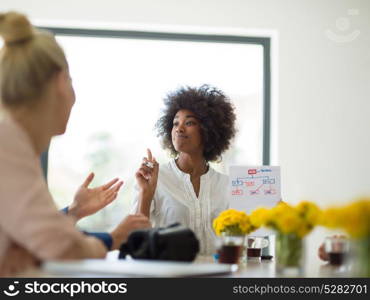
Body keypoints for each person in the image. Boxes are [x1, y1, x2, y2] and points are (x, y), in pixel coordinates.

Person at [0, 12, 150, 276]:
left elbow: (34, 236)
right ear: (60, 83)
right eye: (71, 81)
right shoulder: (8, 143)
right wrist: (114, 238)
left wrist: (74, 211)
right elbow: (60, 248)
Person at [133, 85, 236, 255]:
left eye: (189, 122)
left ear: (208, 130)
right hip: (168, 276)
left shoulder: (226, 185)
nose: (179, 129)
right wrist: (145, 192)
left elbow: (243, 237)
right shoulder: (155, 178)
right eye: (175, 123)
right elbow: (136, 240)